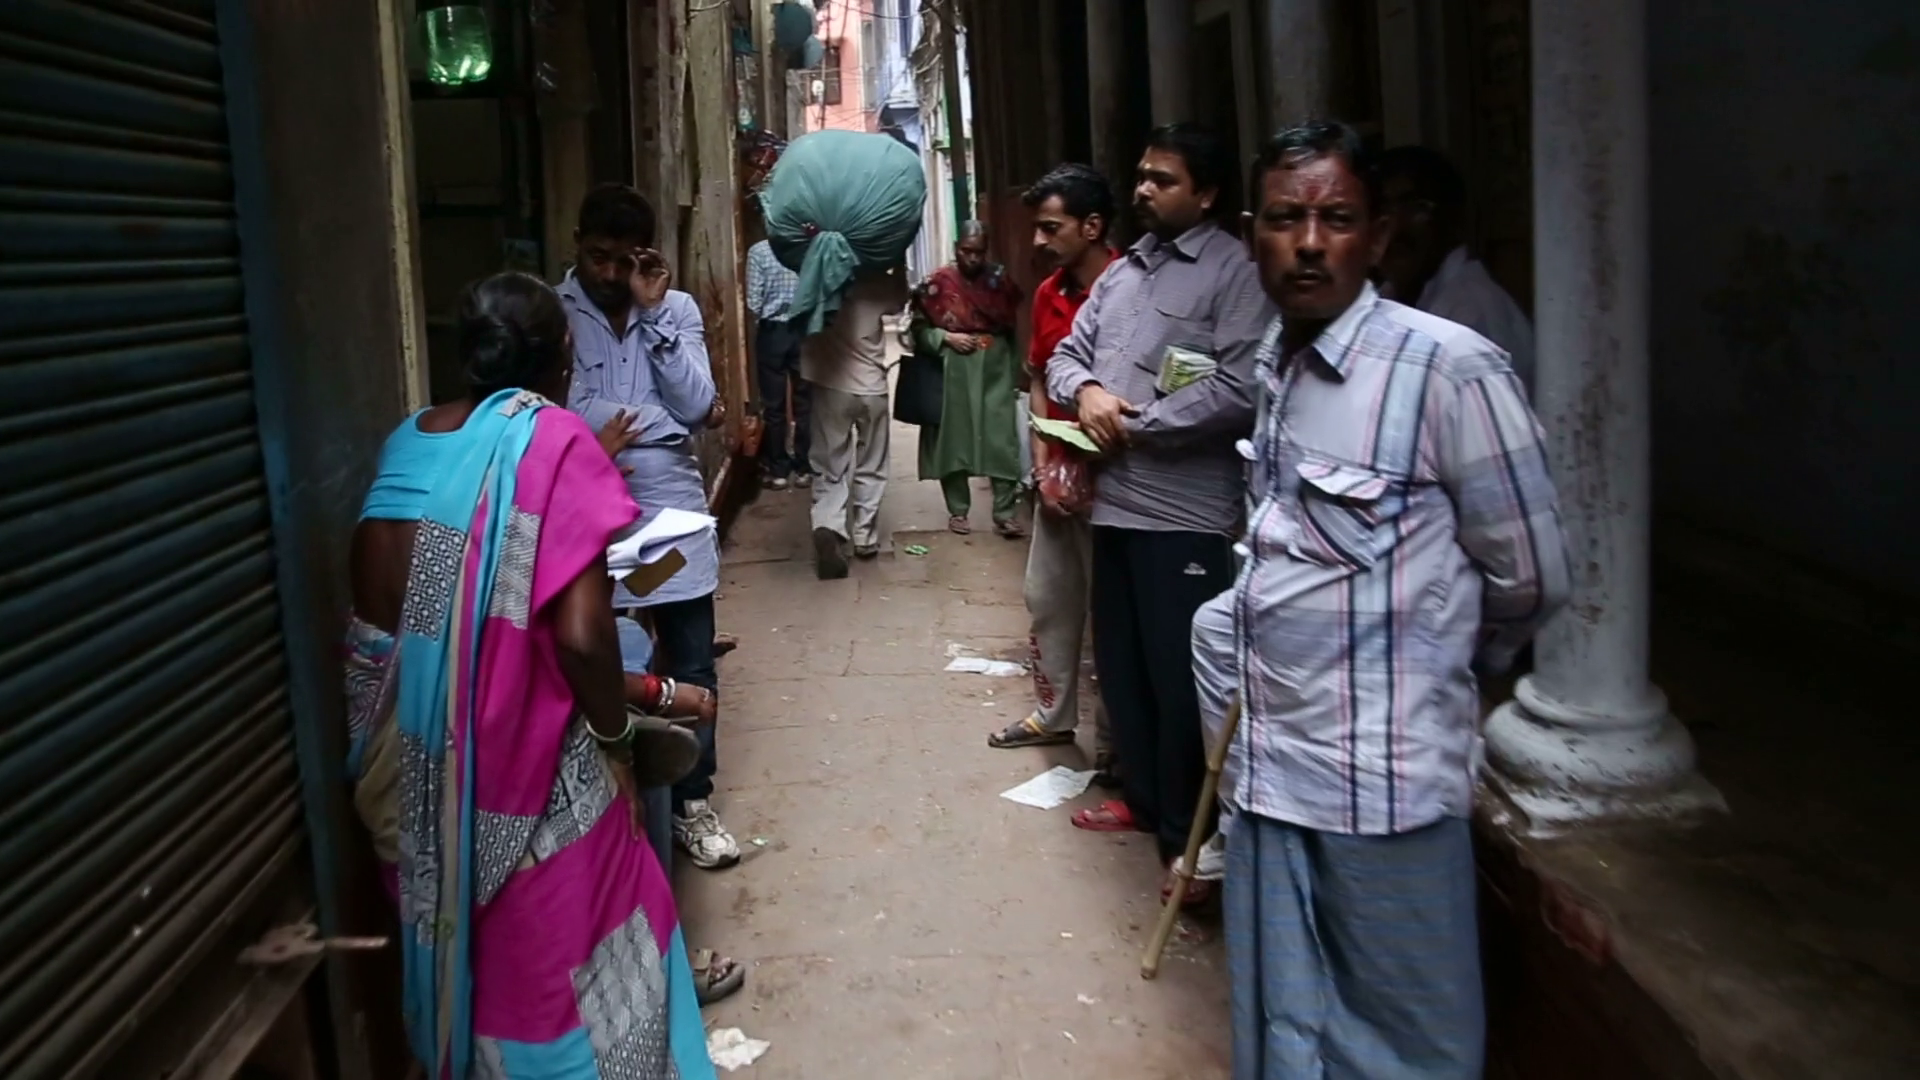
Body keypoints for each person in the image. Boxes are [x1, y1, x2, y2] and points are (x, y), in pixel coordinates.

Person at [1227, 121, 1570, 1080]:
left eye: (1337, 220)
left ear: (1376, 237)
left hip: (1382, 785)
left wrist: (1449, 661)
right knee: (1291, 1027)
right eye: (1286, 219)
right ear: (1254, 234)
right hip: (1275, 776)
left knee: (1405, 1046)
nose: (1309, 243)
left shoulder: (1449, 369)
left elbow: (1532, 575)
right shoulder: (1276, 362)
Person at [343, 272, 718, 1078]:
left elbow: (397, 626)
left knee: (472, 979)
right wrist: (616, 741)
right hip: (516, 783)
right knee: (580, 981)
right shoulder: (553, 442)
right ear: (561, 359)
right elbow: (580, 639)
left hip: (405, 772)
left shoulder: (408, 441)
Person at [1043, 123, 1275, 903]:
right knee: (1125, 666)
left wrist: (1135, 426)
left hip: (1185, 513)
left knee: (1182, 682)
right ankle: (1144, 802)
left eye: (1163, 179)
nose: (1143, 189)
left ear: (1205, 194)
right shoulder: (1124, 272)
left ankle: (1190, 840)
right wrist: (1087, 393)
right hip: (1114, 505)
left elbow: (1240, 387)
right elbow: (1065, 354)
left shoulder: (1234, 273)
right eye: (1141, 175)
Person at [556, 184, 743, 872]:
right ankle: (607, 806)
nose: (609, 274)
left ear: (646, 257)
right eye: (597, 257)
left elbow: (697, 405)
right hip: (585, 512)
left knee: (690, 659)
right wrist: (644, 426)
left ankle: (693, 803)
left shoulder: (676, 310)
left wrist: (655, 314)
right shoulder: (554, 311)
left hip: (670, 513)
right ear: (577, 244)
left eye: (624, 260)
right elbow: (561, 408)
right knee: (602, 654)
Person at [986, 165, 1118, 784]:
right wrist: (1042, 466)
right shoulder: (1048, 294)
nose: (1037, 240)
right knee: (1048, 598)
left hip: (1119, 479)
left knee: (1114, 613)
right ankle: (1054, 713)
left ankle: (1117, 740)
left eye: (1049, 227)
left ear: (1091, 227)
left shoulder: (1129, 290)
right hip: (1059, 472)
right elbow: (1039, 375)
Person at [1376, 144, 1536, 393]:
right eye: (1382, 210)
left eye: (1415, 208)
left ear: (1452, 220)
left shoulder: (1470, 311)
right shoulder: (1387, 300)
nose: (1395, 227)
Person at [909, 223, 1028, 538]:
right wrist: (946, 338)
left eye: (979, 252)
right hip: (953, 371)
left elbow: (1011, 330)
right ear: (955, 247)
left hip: (995, 369)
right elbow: (918, 330)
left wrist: (1014, 371)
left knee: (1001, 439)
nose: (973, 258)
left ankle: (1005, 513)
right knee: (954, 439)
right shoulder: (937, 284)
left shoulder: (999, 282)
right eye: (966, 251)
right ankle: (958, 511)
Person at [805, 264, 911, 579]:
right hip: (871, 388)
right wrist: (898, 264)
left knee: (829, 463)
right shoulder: (876, 283)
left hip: (831, 386)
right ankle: (865, 536)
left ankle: (829, 524)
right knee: (872, 462)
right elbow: (902, 298)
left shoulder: (817, 281)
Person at [746, 234, 812, 489]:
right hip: (804, 329)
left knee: (773, 404)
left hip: (772, 333)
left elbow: (753, 301)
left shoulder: (759, 251)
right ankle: (805, 467)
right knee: (805, 401)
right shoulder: (806, 247)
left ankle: (779, 470)